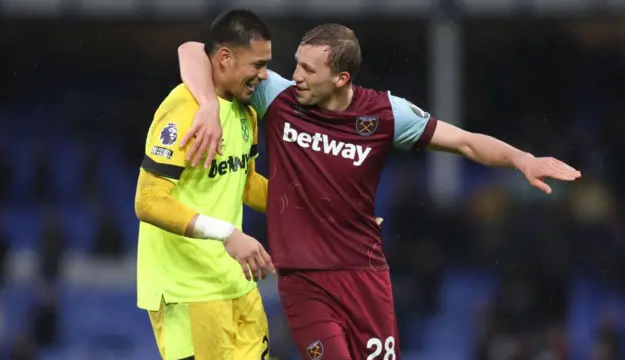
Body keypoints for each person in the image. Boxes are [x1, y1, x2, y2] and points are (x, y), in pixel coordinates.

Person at [177, 22, 581, 359]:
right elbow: (193, 48)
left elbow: (466, 142)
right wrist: (208, 105)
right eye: (296, 65)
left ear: (341, 78)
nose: (295, 75)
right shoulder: (280, 98)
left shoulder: (386, 114)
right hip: (304, 281)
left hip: (366, 277)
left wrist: (522, 159)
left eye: (308, 70)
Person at [134, 10, 276, 360]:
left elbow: (245, 183)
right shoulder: (184, 108)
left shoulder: (247, 113)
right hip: (188, 289)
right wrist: (228, 233)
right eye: (257, 65)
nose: (265, 75)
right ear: (225, 58)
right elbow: (148, 201)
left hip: (236, 283)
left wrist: (318, 210)